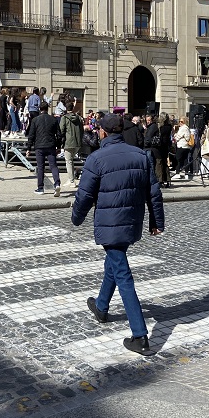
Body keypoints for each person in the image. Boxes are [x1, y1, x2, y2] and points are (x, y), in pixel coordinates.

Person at [72, 113, 165, 357]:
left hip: (110, 223)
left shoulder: (96, 158)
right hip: (131, 221)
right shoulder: (140, 155)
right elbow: (153, 193)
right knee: (114, 262)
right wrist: (156, 222)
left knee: (123, 273)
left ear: (102, 132)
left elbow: (84, 195)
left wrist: (76, 218)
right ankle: (101, 306)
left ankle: (140, 336)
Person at [26, 102, 62, 196]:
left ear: (39, 108)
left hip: (39, 146)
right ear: (48, 108)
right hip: (51, 145)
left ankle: (40, 188)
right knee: (53, 166)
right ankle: (57, 183)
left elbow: (31, 135)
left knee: (41, 167)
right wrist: (59, 146)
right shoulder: (53, 119)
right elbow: (59, 134)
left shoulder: (35, 120)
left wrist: (28, 148)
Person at [59, 105, 84, 186]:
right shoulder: (79, 118)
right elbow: (82, 130)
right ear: (73, 108)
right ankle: (71, 178)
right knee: (71, 160)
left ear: (66, 108)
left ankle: (71, 181)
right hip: (77, 142)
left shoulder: (65, 118)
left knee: (68, 161)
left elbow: (61, 130)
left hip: (68, 142)